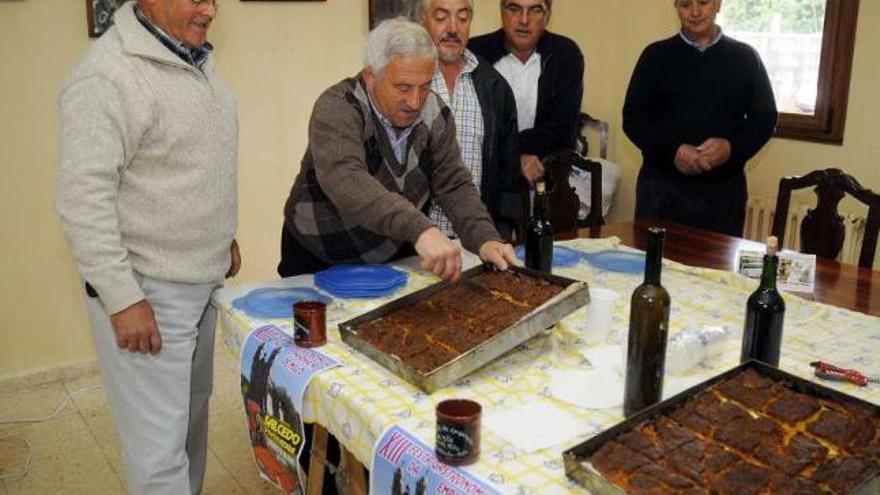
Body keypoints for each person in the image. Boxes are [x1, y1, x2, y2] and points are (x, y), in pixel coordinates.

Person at [55, 1, 239, 493]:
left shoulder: (190, 57)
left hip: (199, 281)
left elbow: (181, 167)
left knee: (189, 424)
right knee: (158, 452)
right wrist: (123, 298)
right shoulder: (109, 76)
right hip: (148, 293)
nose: (211, 10)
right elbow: (81, 201)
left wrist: (221, 235)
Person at [278, 17, 517, 280]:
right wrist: (420, 229)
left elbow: (453, 185)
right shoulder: (337, 107)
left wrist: (485, 238)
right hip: (319, 254)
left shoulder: (436, 113)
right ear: (371, 77)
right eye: (403, 87)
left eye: (424, 86)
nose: (415, 101)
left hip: (392, 255)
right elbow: (347, 179)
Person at [623, 0, 777, 236]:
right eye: (685, 4)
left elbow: (765, 119)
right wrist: (673, 150)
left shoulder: (745, 58)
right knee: (654, 269)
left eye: (703, 3)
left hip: (723, 196)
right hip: (661, 192)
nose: (695, 12)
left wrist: (730, 148)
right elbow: (633, 119)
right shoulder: (654, 56)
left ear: (718, 4)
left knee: (716, 272)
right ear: (675, 6)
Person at [414, 0, 521, 240]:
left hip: (477, 242)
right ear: (423, 20)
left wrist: (500, 231)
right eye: (441, 17)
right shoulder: (407, 84)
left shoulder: (495, 87)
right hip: (417, 244)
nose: (453, 28)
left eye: (462, 18)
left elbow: (508, 174)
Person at [469, 0, 585, 184]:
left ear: (547, 16)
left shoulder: (565, 54)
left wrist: (509, 148)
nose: (524, 20)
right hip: (483, 173)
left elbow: (563, 129)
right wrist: (513, 159)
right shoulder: (475, 54)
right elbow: (469, 129)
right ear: (502, 12)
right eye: (515, 8)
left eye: (535, 10)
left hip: (547, 175)